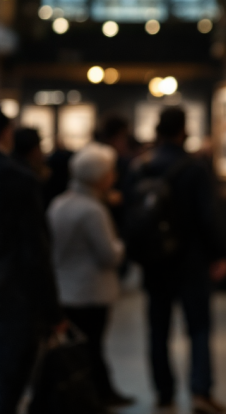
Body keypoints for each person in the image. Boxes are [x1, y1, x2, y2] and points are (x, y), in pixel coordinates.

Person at [125, 107, 226, 414]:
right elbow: (208, 216)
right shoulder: (194, 168)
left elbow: (131, 214)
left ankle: (164, 393)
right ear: (183, 130)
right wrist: (219, 253)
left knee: (157, 329)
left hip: (154, 260)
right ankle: (200, 391)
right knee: (198, 327)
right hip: (190, 259)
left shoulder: (142, 166)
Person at [47, 143, 133, 407]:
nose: (114, 177)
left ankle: (95, 393)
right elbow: (108, 255)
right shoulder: (92, 210)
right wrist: (121, 246)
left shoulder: (60, 203)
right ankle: (93, 396)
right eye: (109, 172)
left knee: (82, 348)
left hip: (65, 288)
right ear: (99, 177)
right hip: (90, 289)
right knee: (92, 347)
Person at [0, 112, 63, 414]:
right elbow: (34, 249)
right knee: (8, 379)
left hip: (12, 289)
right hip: (12, 293)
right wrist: (52, 310)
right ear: (6, 134)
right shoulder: (18, 178)